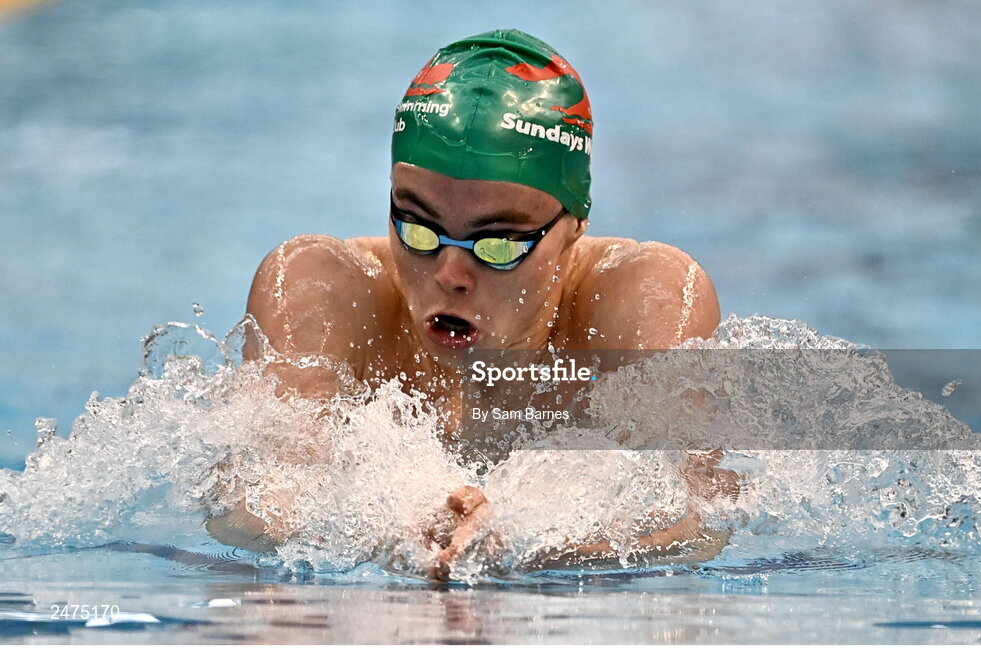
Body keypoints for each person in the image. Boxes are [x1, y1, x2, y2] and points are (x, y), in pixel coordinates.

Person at [205, 29, 733, 576]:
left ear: (573, 226)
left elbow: (690, 519)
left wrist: (526, 542)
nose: (450, 274)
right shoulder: (322, 287)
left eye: (498, 243)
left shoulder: (645, 294)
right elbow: (249, 507)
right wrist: (387, 532)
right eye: (418, 228)